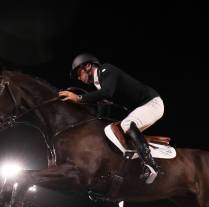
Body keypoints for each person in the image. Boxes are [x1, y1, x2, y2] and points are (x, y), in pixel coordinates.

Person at [58, 53, 163, 184]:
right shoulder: (100, 85)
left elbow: (106, 93)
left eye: (79, 73)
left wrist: (79, 98)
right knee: (111, 131)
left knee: (127, 123)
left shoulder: (106, 70)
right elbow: (102, 113)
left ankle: (151, 165)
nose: (79, 78)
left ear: (88, 66)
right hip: (141, 108)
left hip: (152, 103)